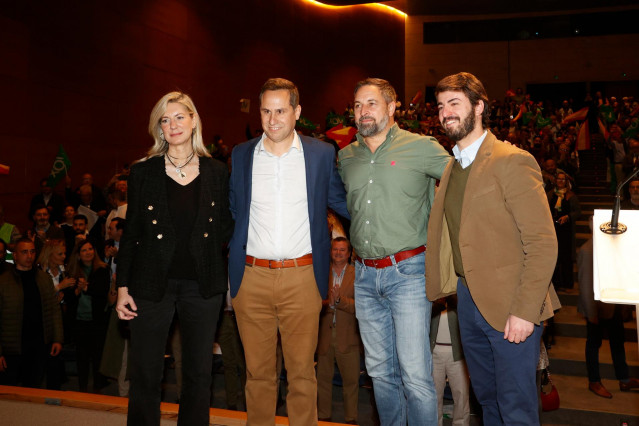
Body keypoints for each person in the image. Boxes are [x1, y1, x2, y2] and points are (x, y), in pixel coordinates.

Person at [425, 72, 559, 426]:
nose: (445, 112)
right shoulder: (452, 167)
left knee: (516, 408)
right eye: (440, 106)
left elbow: (543, 244)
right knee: (488, 403)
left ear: (479, 106)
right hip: (467, 302)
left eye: (455, 103)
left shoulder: (511, 160)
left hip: (512, 304)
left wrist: (525, 310)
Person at [228, 78, 349, 426]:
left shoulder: (322, 153)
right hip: (251, 279)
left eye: (281, 110)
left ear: (296, 112)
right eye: (266, 110)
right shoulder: (242, 154)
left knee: (302, 375)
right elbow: (236, 211)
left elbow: (340, 202)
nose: (272, 119)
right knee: (258, 375)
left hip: (302, 278)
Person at [115, 91, 233, 426]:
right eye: (165, 120)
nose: (173, 125)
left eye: (179, 116)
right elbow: (132, 234)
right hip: (151, 283)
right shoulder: (143, 172)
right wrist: (122, 286)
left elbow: (227, 227)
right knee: (146, 374)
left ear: (194, 120)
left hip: (203, 285)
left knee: (198, 375)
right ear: (159, 129)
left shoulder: (217, 172)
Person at [337, 78, 450, 425]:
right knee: (380, 373)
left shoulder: (422, 148)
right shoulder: (346, 157)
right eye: (357, 105)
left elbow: (463, 186)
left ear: (392, 106)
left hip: (409, 273)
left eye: (371, 103)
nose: (363, 111)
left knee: (415, 373)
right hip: (364, 275)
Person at [577, 216, 639, 398]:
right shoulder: (588, 250)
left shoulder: (609, 247)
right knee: (593, 344)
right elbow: (586, 284)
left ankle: (624, 379)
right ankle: (594, 381)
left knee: (618, 342)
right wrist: (591, 313)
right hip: (596, 309)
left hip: (612, 306)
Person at [0, 238, 63, 388]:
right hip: (11, 348)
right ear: (15, 255)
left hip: (38, 345)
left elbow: (54, 310)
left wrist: (57, 339)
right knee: (9, 395)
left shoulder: (44, 278)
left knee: (33, 389)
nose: (29, 256)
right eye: (24, 252)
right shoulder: (3, 282)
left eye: (32, 251)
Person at [317, 237, 360, 424]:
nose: (338, 253)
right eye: (335, 249)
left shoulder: (357, 274)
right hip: (324, 336)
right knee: (322, 382)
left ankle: (351, 419)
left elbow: (362, 306)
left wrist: (340, 302)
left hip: (348, 337)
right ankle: (323, 417)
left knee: (351, 383)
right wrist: (328, 303)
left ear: (349, 253)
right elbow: (312, 301)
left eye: (342, 250)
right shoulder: (321, 272)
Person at [66, 239, 110, 392]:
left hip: (97, 321)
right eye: (84, 250)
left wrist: (86, 288)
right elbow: (69, 298)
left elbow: (102, 291)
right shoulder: (72, 272)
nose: (88, 252)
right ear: (78, 255)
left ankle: (98, 388)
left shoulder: (103, 269)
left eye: (90, 249)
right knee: (82, 357)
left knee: (98, 356)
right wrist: (77, 292)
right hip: (79, 321)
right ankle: (82, 387)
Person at [430, 295, 470, 426]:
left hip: (457, 354)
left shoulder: (459, 300)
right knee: (434, 395)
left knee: (461, 395)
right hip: (434, 353)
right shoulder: (432, 299)